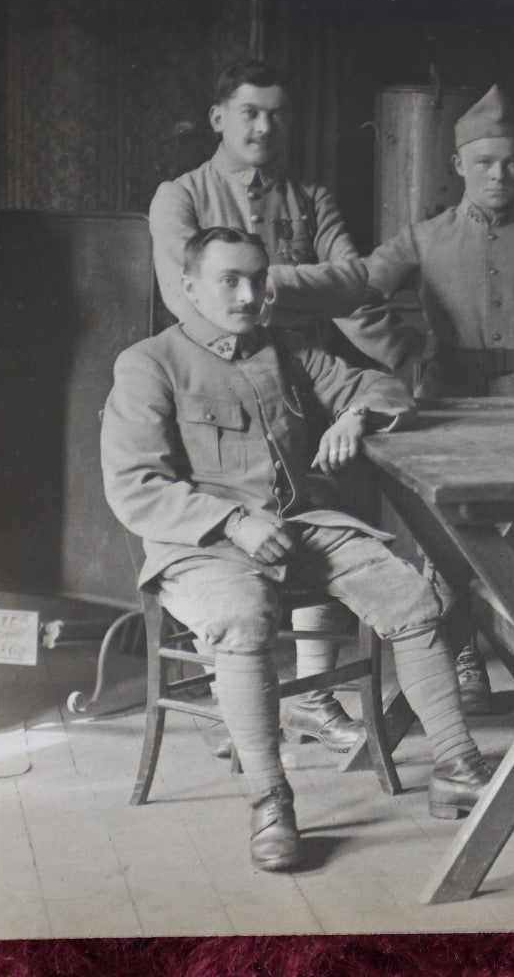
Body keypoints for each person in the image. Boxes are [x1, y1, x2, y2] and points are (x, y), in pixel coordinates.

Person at [100, 227, 514, 872]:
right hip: (201, 544)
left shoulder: (285, 349)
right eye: (230, 280)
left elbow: (385, 386)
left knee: (413, 600)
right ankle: (271, 803)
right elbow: (135, 486)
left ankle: (458, 769)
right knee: (244, 621)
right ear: (190, 286)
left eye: (259, 279)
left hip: (299, 526)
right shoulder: (148, 363)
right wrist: (232, 523)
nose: (250, 294)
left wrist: (355, 416)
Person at [270, 84, 514, 714]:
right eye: (484, 163)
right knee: (450, 540)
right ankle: (466, 664)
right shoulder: (422, 238)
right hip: (448, 406)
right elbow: (356, 291)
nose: (499, 174)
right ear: (458, 166)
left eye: (510, 162)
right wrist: (407, 354)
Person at [148, 59, 398, 755]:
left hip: (304, 385)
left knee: (327, 522)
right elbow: (181, 296)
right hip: (213, 393)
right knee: (229, 545)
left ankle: (315, 698)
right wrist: (298, 285)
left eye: (278, 113)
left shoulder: (310, 194)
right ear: (219, 116)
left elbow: (359, 280)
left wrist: (251, 280)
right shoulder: (180, 197)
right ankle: (242, 703)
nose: (265, 126)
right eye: (250, 111)